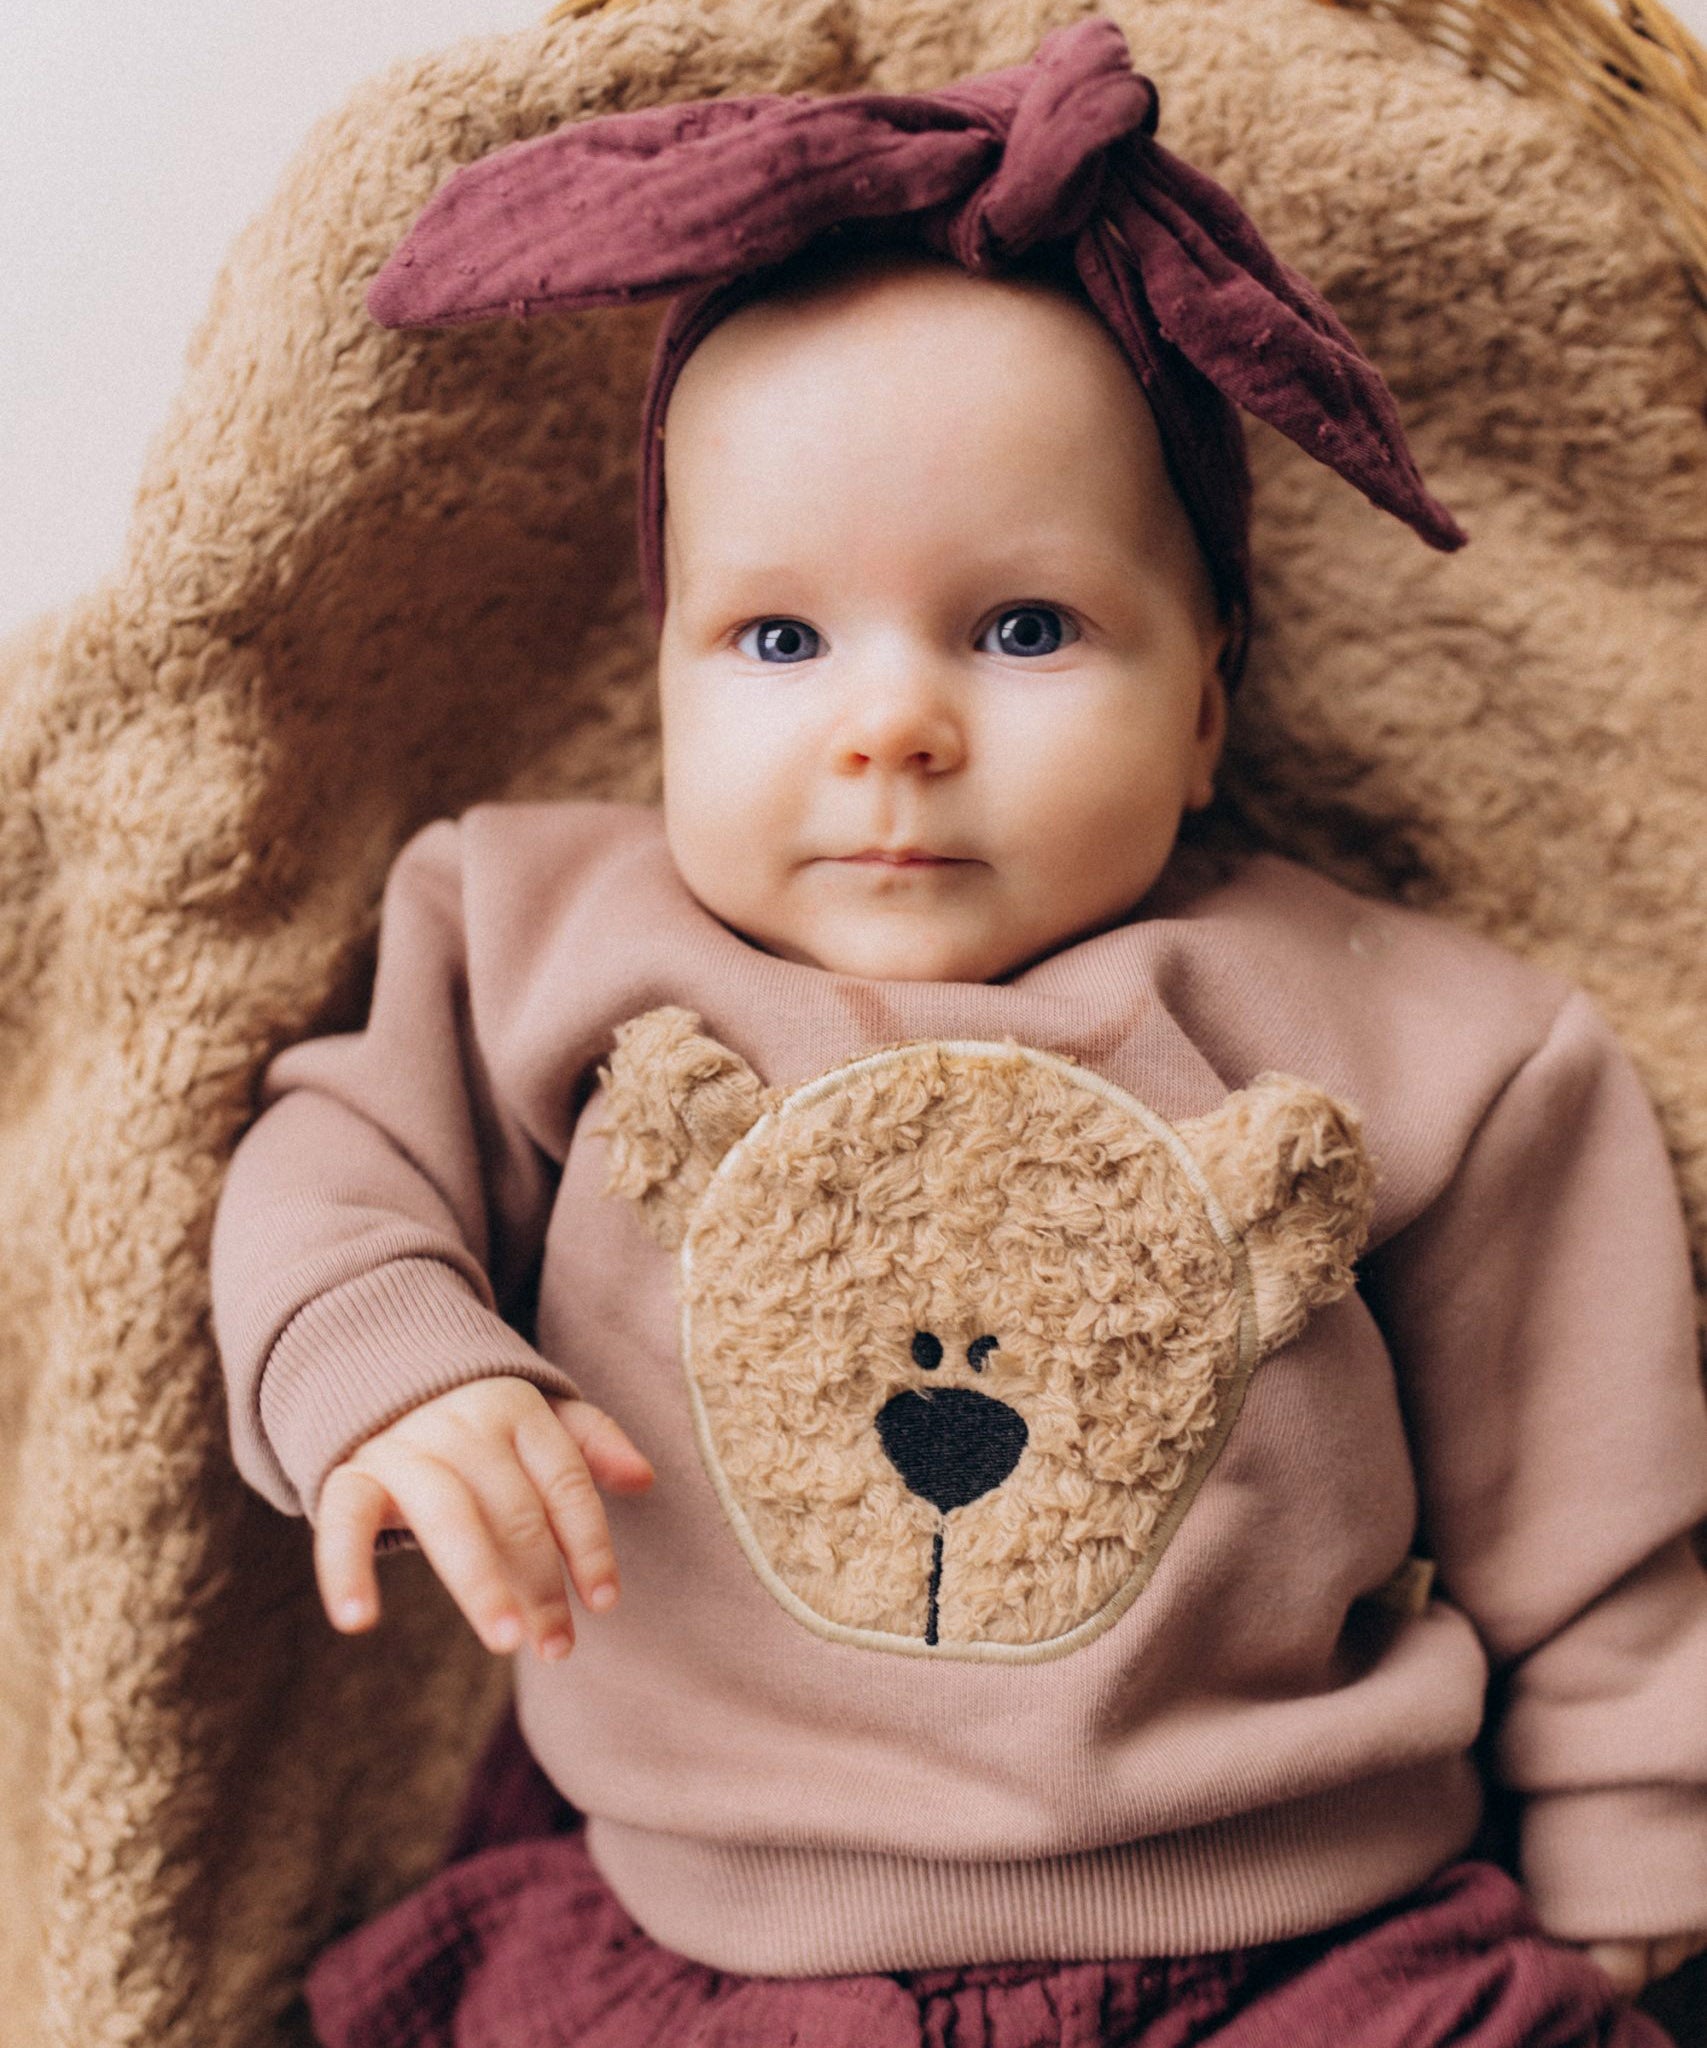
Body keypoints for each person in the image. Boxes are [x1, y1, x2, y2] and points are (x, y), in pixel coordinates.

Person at [208, 20, 1707, 2044]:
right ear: (659, 683)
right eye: (774, 637)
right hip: (703, 1943)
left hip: (1300, 1934)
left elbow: (1585, 1479)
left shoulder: (1409, 1028)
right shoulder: (536, 930)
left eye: (1022, 629)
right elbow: (330, 1152)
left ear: (1201, 707)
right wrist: (389, 1363)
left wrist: (1632, 1825)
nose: (888, 721)